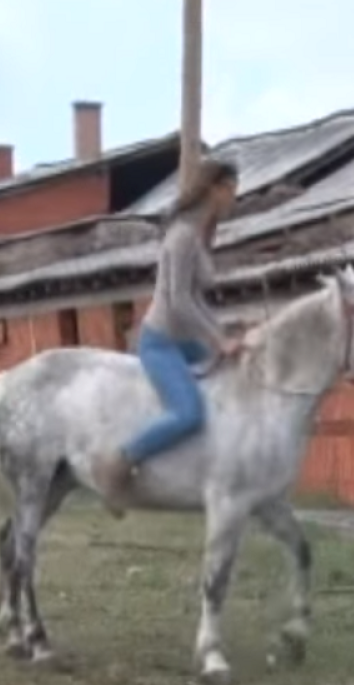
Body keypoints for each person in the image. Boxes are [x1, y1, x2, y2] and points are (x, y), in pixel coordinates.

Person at [92, 158, 242, 516]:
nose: (234, 199)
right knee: (189, 412)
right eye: (231, 191)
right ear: (214, 189)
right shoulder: (182, 236)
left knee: (229, 378)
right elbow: (178, 303)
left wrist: (221, 337)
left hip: (185, 341)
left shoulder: (201, 235)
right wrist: (218, 340)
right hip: (159, 342)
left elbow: (198, 300)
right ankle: (119, 463)